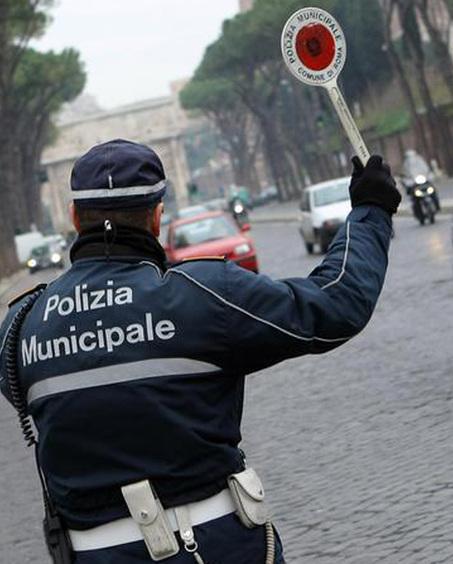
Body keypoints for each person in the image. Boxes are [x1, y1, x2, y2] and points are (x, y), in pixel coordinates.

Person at [0, 139, 401, 564]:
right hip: (212, 546)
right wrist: (370, 212)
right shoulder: (205, 294)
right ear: (156, 218)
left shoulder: (20, 325)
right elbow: (336, 302)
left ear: (75, 218)